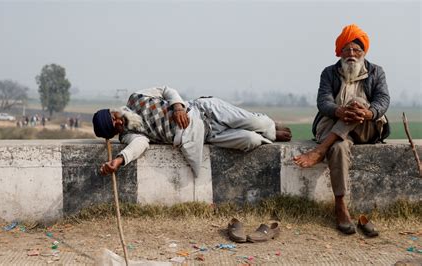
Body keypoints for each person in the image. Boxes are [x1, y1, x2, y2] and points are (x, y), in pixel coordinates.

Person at [293, 24, 390, 235]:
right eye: (347, 50)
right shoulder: (329, 73)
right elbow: (323, 101)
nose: (352, 55)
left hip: (366, 128)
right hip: (335, 127)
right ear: (340, 52)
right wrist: (339, 111)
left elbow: (383, 99)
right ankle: (340, 205)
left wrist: (368, 113)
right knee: (337, 148)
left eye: (357, 50)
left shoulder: (376, 72)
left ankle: (319, 150)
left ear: (363, 53)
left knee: (357, 102)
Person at [93, 86, 292, 177]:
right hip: (206, 134)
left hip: (202, 109)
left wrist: (178, 107)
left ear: (113, 111)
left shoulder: (135, 98)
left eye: (114, 116)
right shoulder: (128, 135)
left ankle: (271, 128)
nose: (119, 121)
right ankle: (267, 135)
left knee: (254, 121)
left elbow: (166, 90)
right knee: (250, 140)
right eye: (115, 125)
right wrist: (118, 161)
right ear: (114, 132)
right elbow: (139, 146)